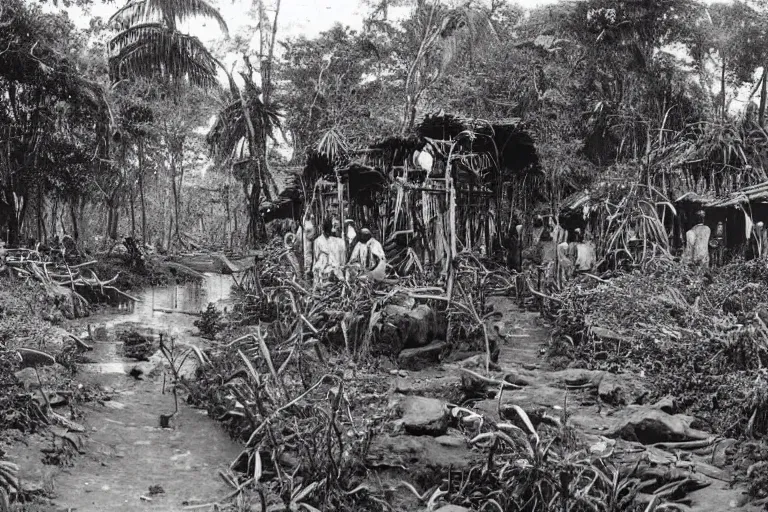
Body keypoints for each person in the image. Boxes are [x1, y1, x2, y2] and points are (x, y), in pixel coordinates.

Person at [313, 218, 345, 284]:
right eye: (327, 230)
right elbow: (316, 256)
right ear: (324, 230)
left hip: (334, 269)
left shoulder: (334, 240)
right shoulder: (318, 241)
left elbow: (337, 256)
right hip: (323, 268)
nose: (329, 232)